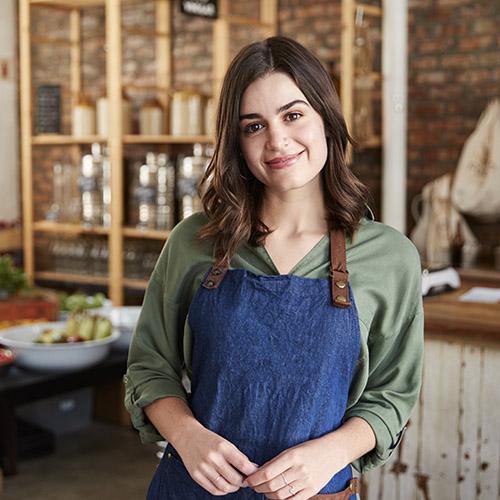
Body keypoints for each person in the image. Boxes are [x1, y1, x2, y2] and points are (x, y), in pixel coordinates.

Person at [124, 36, 423, 500]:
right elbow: (149, 366)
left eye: (293, 114)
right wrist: (186, 435)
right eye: (253, 126)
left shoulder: (390, 259)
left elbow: (392, 394)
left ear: (326, 116)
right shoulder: (194, 242)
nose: (277, 140)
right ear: (236, 141)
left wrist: (331, 453)